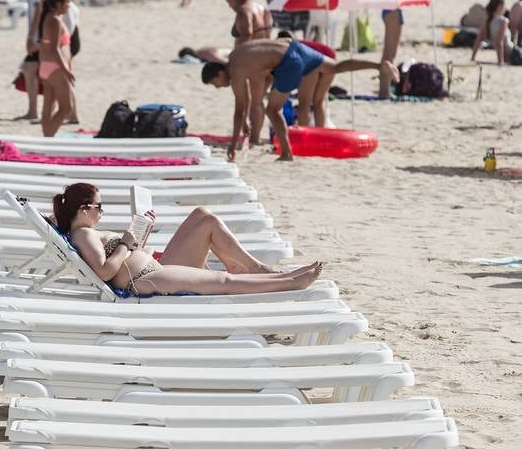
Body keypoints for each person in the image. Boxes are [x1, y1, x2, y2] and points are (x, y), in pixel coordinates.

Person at [51, 183, 323, 296]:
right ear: (83, 210)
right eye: (99, 207)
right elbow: (104, 271)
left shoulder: (85, 233)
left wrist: (138, 236)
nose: (102, 212)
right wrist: (124, 243)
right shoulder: (84, 234)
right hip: (147, 278)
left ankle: (259, 270)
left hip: (151, 269)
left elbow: (121, 260)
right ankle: (289, 282)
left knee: (204, 217)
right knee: (222, 281)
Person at [201, 38, 398, 161]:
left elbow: (239, 109)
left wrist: (233, 145)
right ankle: (380, 66)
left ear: (219, 73)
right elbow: (245, 102)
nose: (218, 86)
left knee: (272, 110)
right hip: (294, 46)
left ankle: (287, 153)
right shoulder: (236, 58)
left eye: (215, 83)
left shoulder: (235, 74)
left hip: (288, 63)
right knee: (335, 67)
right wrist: (245, 121)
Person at [223, 0, 273, 145]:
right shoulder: (262, 9)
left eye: (227, 0)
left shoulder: (244, 11)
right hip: (268, 58)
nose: (228, 5)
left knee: (247, 99)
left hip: (253, 60)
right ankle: (254, 135)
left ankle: (254, 137)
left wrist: (238, 60)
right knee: (257, 101)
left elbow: (247, 35)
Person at [9, 0, 55, 120]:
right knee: (35, 70)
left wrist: (31, 37)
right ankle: (37, 111)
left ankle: (38, 112)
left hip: (43, 32)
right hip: (45, 31)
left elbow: (38, 6)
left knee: (38, 71)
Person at [38, 0, 77, 136]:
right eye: (68, 2)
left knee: (49, 106)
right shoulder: (54, 20)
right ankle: (49, 136)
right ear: (59, 4)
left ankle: (47, 138)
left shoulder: (50, 18)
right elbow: (55, 49)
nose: (69, 5)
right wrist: (66, 71)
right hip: (56, 68)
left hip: (48, 67)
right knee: (66, 107)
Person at [375, 0, 413, 99]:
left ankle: (385, 89)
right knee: (389, 53)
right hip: (391, 10)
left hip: (393, 10)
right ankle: (383, 90)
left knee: (391, 52)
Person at [472, 0, 513, 65]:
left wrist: (473, 57)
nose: (505, 8)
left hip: (507, 57)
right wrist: (501, 61)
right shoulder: (504, 21)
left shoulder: (487, 22)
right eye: (504, 6)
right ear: (499, 7)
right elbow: (499, 42)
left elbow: (478, 40)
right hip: (513, 53)